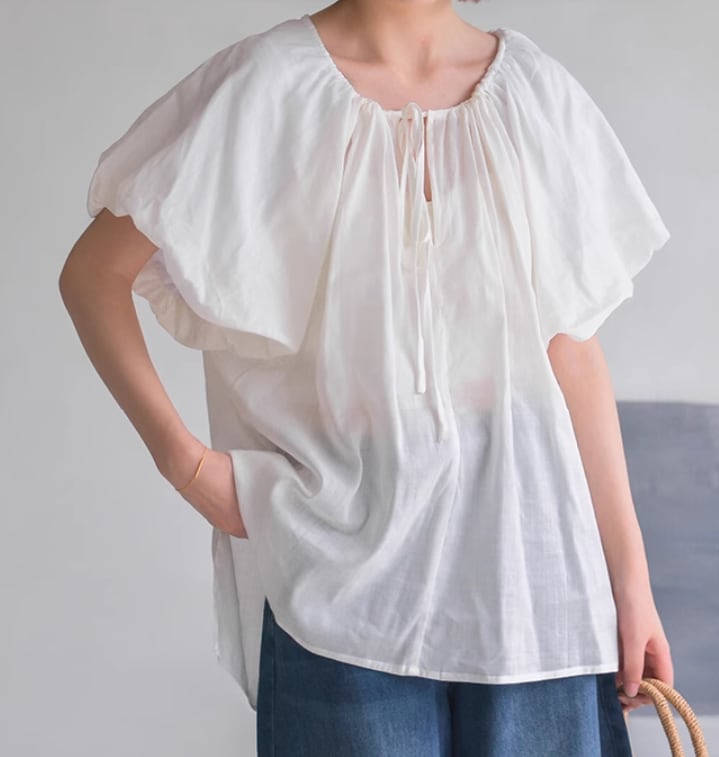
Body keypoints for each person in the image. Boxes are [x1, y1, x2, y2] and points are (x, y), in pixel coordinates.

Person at [59, 0, 675, 754]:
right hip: (341, 591)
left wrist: (631, 583)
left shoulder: (533, 92)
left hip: (532, 579)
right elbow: (93, 276)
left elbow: (570, 348)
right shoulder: (268, 85)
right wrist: (187, 467)